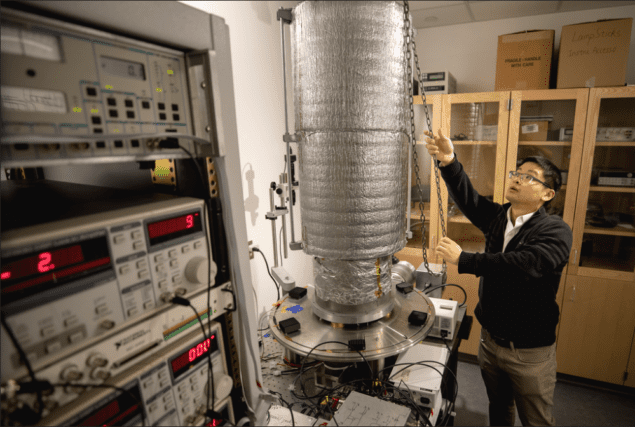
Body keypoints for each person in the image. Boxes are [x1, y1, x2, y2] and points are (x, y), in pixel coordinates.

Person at [424, 129, 573, 426]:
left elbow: (526, 264)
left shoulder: (556, 230)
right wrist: (449, 160)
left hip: (529, 351)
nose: (518, 178)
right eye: (517, 172)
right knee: (499, 409)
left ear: (547, 194)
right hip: (491, 342)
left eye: (530, 176)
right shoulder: (499, 217)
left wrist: (466, 259)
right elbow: (469, 199)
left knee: (536, 420)